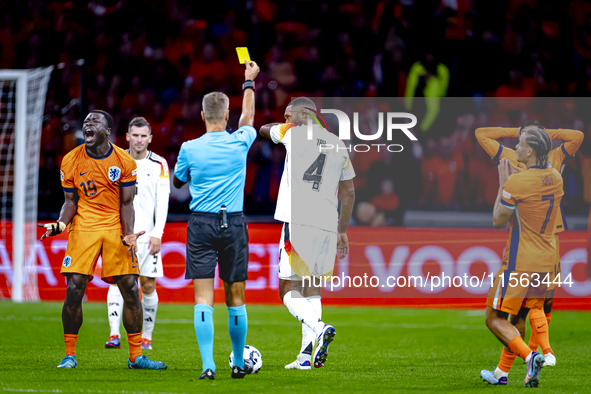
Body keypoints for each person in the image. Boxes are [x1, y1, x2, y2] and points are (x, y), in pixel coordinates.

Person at [38, 110, 167, 370]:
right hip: (84, 226)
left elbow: (127, 203)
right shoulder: (71, 160)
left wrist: (128, 233)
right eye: (86, 121)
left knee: (131, 288)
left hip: (114, 225)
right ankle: (69, 355)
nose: (88, 124)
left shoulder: (124, 160)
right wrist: (62, 223)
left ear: (107, 131)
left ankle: (136, 357)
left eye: (95, 121)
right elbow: (70, 202)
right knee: (74, 287)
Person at [172, 60, 260, 380]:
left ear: (202, 116)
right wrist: (248, 82)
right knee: (236, 297)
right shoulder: (239, 142)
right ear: (226, 117)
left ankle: (208, 366)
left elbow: (179, 182)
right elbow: (248, 118)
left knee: (203, 298)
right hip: (233, 224)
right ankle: (237, 362)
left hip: (201, 225)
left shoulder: (189, 148)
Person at [476, 121, 583, 383]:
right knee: (520, 315)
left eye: (521, 144)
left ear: (531, 151)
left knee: (494, 318)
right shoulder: (556, 178)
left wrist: (503, 184)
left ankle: (530, 356)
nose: (516, 146)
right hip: (547, 260)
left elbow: (498, 221)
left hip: (520, 260)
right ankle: (502, 374)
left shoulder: (517, 181)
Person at [258, 98, 356, 370]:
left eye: (290, 114)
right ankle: (304, 356)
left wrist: (283, 125)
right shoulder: (337, 144)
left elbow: (264, 129)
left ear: (304, 115)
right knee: (312, 287)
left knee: (287, 289)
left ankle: (320, 327)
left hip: (298, 222)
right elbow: (348, 192)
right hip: (326, 223)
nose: (286, 119)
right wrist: (342, 231)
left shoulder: (293, 133)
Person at [105, 117, 170, 351]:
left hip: (147, 236)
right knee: (116, 281)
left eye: (144, 136)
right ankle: (114, 335)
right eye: (135, 135)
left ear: (150, 138)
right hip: (120, 235)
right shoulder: (114, 160)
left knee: (148, 285)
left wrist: (158, 233)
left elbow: (163, 203)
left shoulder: (159, 164)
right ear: (128, 136)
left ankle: (147, 337)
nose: (139, 140)